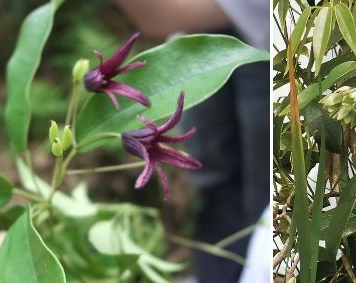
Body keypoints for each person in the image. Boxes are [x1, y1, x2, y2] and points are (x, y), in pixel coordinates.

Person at [115, 1, 269, 282]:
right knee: (213, 179)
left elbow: (157, 17)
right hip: (194, 47)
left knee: (264, 189)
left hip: (267, 36)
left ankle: (256, 270)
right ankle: (217, 273)